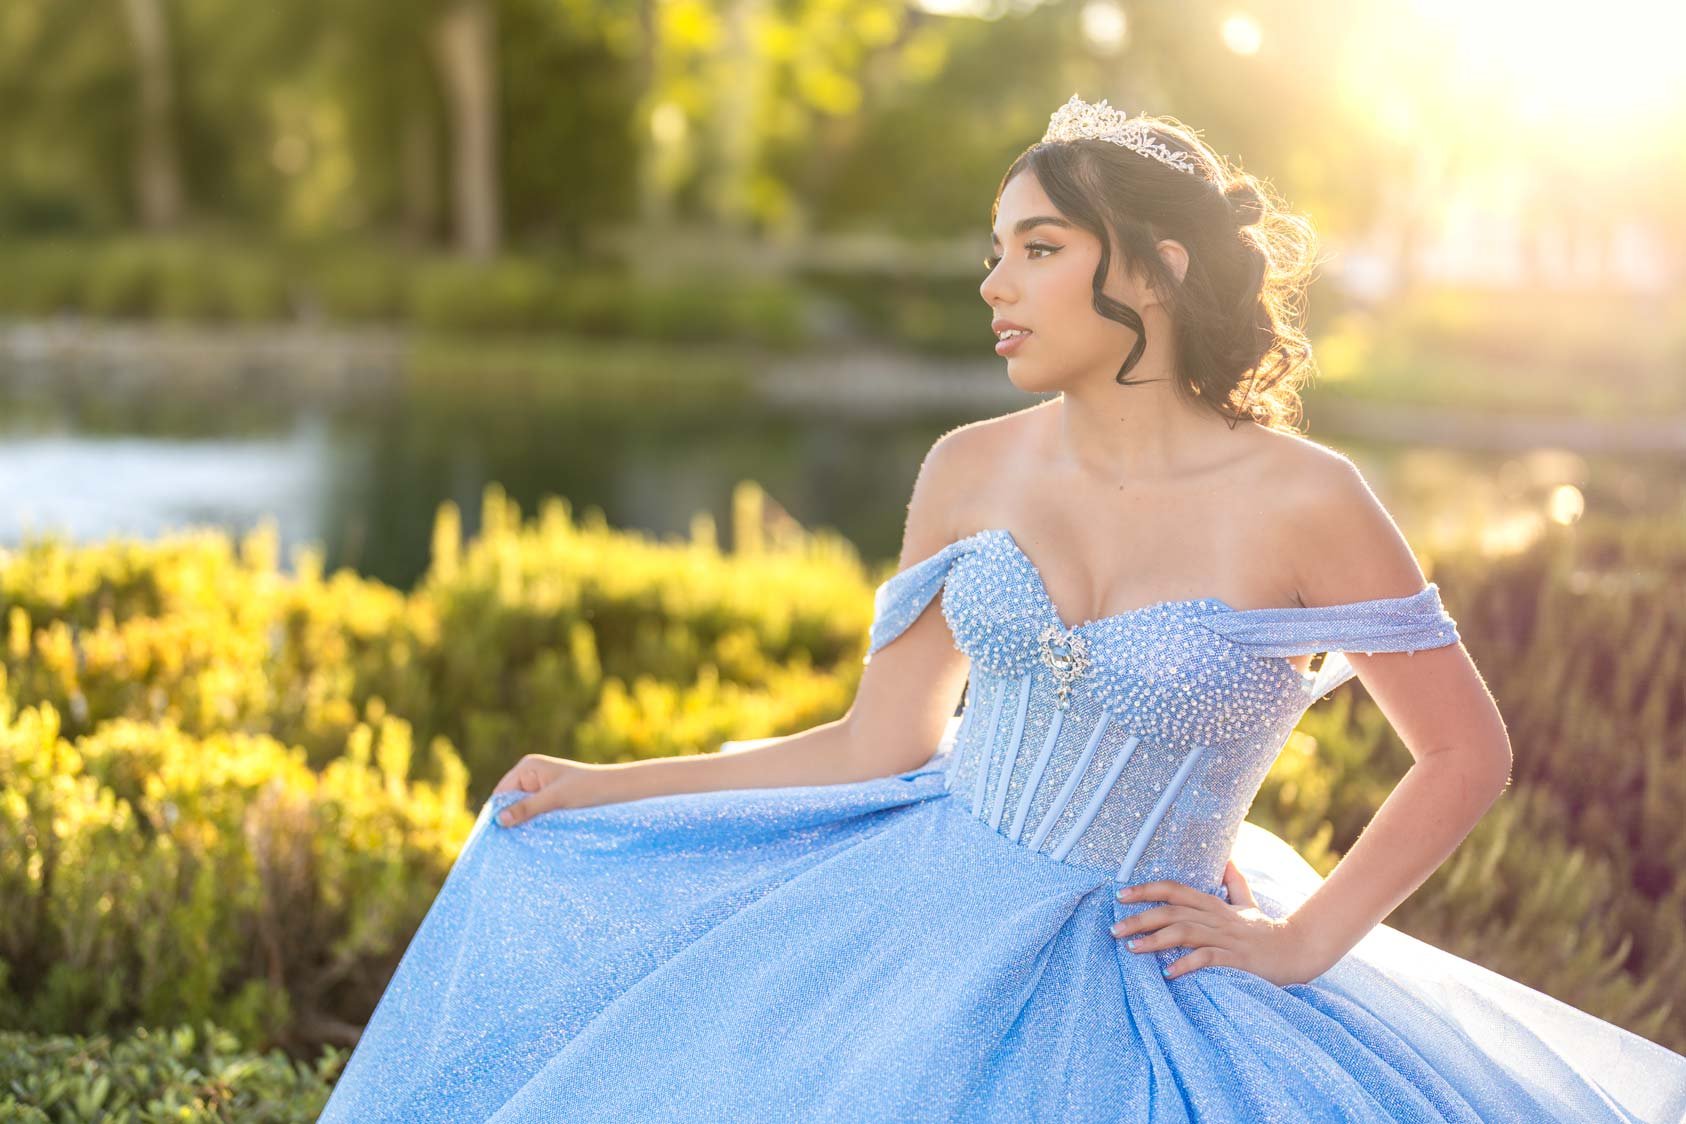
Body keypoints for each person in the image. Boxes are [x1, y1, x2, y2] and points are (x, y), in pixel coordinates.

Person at [319, 95, 1686, 1122]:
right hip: (906, 912)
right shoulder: (966, 467)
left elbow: (1465, 754)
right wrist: (603, 785)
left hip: (1144, 956)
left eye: (1036, 249)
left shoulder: (1307, 500)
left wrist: (1304, 938)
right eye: (994, 251)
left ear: (1149, 270)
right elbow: (880, 743)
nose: (995, 286)